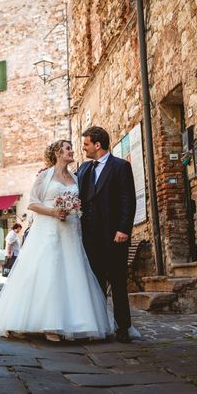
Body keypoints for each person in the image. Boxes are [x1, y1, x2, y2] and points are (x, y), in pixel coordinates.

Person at [0, 140, 113, 341]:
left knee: (73, 272)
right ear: (57, 153)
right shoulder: (44, 176)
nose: (72, 151)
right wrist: (54, 212)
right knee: (48, 271)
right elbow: (32, 204)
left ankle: (81, 322)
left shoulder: (76, 177)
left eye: (72, 148)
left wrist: (71, 209)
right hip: (48, 230)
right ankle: (48, 324)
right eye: (67, 148)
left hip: (71, 230)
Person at [79, 126, 137, 344]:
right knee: (96, 283)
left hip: (114, 235)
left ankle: (123, 327)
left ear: (97, 145)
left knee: (118, 283)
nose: (83, 148)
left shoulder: (120, 167)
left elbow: (128, 200)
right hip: (90, 237)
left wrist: (124, 229)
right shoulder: (84, 169)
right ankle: (100, 325)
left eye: (86, 144)